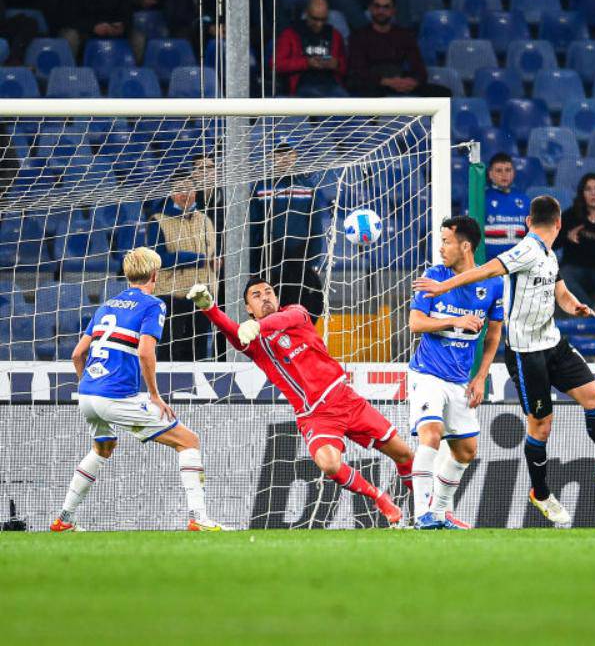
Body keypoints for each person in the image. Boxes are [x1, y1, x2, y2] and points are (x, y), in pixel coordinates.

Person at [415, 195, 595, 525]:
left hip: (553, 344)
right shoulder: (526, 250)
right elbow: (487, 270)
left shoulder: (550, 256)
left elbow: (561, 293)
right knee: (541, 426)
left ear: (528, 220)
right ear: (560, 223)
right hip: (525, 352)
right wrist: (442, 287)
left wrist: (574, 306)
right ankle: (540, 492)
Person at [192, 278, 416, 524]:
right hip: (315, 416)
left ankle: (430, 509)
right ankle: (378, 497)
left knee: (405, 455)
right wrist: (209, 308)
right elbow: (233, 333)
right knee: (330, 465)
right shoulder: (255, 344)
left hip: (345, 398)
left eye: (269, 292)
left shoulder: (296, 313)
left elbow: (281, 321)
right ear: (248, 308)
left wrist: (259, 325)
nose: (265, 297)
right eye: (256, 295)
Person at [51, 248, 225, 533]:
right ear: (155, 275)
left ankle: (64, 519)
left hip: (88, 394)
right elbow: (146, 352)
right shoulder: (153, 304)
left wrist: (88, 385)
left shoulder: (106, 305)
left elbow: (76, 354)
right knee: (188, 441)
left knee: (102, 448)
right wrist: (155, 396)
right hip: (115, 395)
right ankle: (199, 517)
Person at [406, 216, 504, 530]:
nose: (441, 248)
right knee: (431, 434)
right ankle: (422, 513)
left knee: (466, 450)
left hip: (461, 380)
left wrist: (480, 376)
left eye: (446, 241)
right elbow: (416, 324)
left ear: (465, 245)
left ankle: (440, 512)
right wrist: (454, 322)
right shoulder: (434, 277)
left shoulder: (493, 283)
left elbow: (493, 334)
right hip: (428, 374)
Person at [249, 140, 328, 318]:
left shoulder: (307, 188)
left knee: (301, 312)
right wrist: (254, 265)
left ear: (295, 156)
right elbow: (254, 227)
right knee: (272, 313)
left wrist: (315, 261)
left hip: (300, 262)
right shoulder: (260, 187)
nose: (284, 158)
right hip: (270, 262)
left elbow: (315, 227)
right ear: (271, 157)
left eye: (288, 153)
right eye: (279, 153)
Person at [146, 176, 218, 361]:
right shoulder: (158, 220)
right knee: (170, 351)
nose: (186, 194)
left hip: (203, 296)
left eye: (190, 189)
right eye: (180, 189)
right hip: (172, 296)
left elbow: (212, 254)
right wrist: (199, 260)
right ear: (171, 194)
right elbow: (158, 258)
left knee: (200, 351)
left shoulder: (206, 220)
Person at [345, 0, 439, 97]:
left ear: (393, 11)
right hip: (373, 84)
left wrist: (411, 82)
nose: (381, 11)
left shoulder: (404, 35)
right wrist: (387, 82)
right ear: (370, 8)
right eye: (377, 6)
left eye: (386, 7)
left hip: (398, 78)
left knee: (441, 93)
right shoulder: (358, 36)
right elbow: (358, 70)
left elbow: (419, 68)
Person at [554, 173, 595, 311]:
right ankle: (592, 309)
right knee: (562, 275)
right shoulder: (570, 215)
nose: (593, 194)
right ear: (582, 193)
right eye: (588, 189)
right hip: (578, 271)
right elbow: (553, 244)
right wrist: (567, 237)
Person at [273, 0, 349, 97]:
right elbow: (276, 65)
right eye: (315, 19)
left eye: (323, 19)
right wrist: (307, 63)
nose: (319, 24)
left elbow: (345, 67)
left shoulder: (335, 35)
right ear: (306, 14)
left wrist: (336, 64)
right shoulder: (290, 34)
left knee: (349, 105)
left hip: (331, 85)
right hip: (303, 86)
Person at [480, 153, 528, 259]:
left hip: (518, 265)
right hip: (489, 265)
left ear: (513, 173)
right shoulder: (482, 199)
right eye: (499, 171)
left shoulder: (524, 200)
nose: (504, 174)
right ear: (490, 174)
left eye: (508, 170)